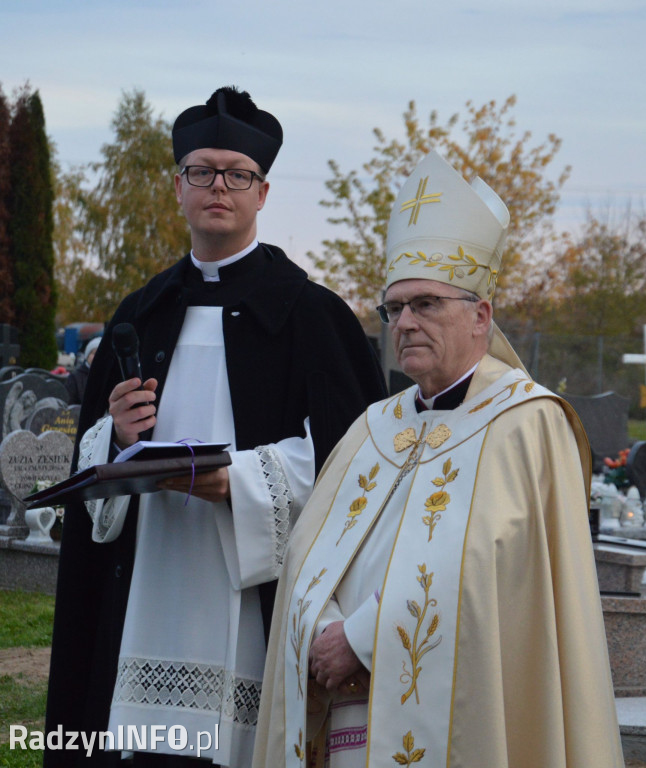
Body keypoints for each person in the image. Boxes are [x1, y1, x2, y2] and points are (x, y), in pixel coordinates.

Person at [44, 86, 386, 768]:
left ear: (261, 192)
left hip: (247, 592)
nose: (218, 187)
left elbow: (353, 465)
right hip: (145, 580)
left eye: (236, 174)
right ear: (178, 187)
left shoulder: (310, 316)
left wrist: (238, 481)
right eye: (201, 171)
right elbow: (91, 468)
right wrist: (114, 436)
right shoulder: (141, 311)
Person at [253, 151, 624, 768]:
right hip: (347, 720)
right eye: (394, 309)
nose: (405, 323)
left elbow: (496, 575)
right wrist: (322, 622)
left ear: (480, 316)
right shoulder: (374, 426)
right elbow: (309, 553)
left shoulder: (529, 424)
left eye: (426, 304)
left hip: (470, 723)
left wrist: (363, 638)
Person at [64, 335, 101, 404]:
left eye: (101, 354)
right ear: (87, 356)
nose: (97, 357)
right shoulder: (75, 377)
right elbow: (69, 401)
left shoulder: (109, 376)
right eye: (94, 353)